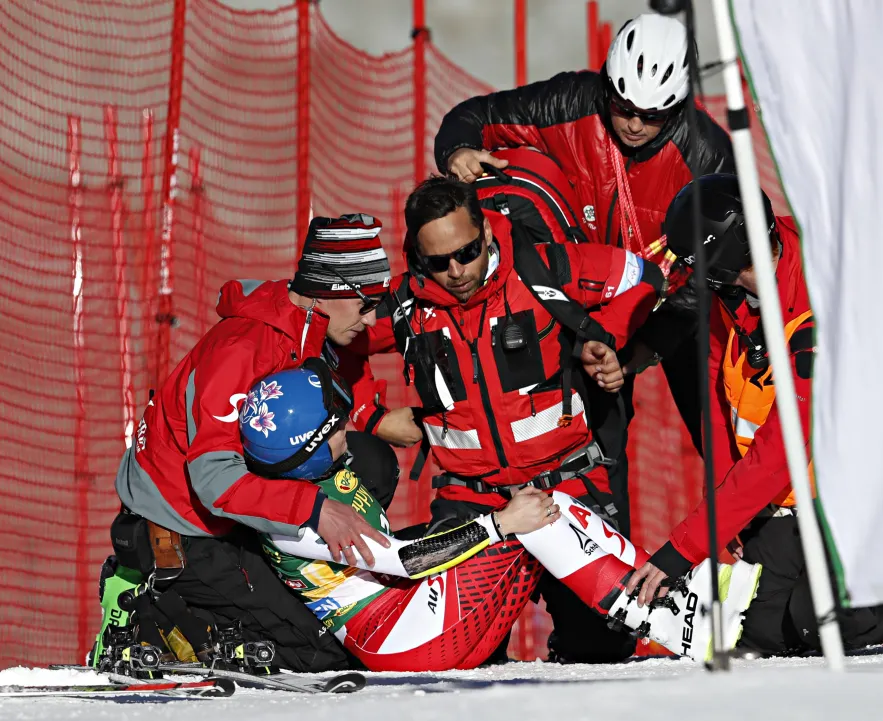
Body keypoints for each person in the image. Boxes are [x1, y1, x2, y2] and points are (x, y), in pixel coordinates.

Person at [626, 174, 883, 655]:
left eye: (694, 262)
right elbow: (715, 396)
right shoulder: (733, 295)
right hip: (788, 494)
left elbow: (785, 445)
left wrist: (683, 548)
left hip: (862, 489)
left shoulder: (822, 298)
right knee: (761, 636)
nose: (687, 275)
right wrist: (726, 505)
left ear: (720, 256)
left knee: (815, 621)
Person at [242, 366, 763, 671]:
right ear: (306, 450)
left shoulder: (312, 476)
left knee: (546, 503)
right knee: (530, 518)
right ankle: (683, 626)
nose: (345, 434)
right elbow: (404, 562)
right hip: (400, 635)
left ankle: (676, 606)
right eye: (332, 427)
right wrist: (498, 525)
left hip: (406, 612)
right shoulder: (294, 518)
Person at [351, 175, 665, 662]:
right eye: (438, 262)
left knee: (601, 651)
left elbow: (644, 277)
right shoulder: (403, 306)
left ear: (487, 233)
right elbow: (331, 346)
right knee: (460, 661)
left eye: (467, 252)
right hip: (468, 503)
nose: (455, 270)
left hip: (569, 491)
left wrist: (610, 338)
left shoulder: (543, 267)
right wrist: (370, 415)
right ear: (417, 255)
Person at [98, 213, 421, 672]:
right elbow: (213, 479)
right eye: (366, 302)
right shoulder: (241, 351)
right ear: (329, 287)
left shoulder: (307, 328)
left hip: (237, 510)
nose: (371, 319)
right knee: (326, 655)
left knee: (370, 463)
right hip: (184, 525)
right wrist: (316, 509)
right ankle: (150, 608)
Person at [434, 12, 735, 462]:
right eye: (623, 107)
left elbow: (709, 278)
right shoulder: (572, 100)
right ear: (607, 88)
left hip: (677, 305)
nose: (634, 124)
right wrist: (458, 151)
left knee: (723, 443)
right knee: (595, 449)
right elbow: (476, 115)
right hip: (588, 298)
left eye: (652, 116)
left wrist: (638, 353)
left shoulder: (707, 151)